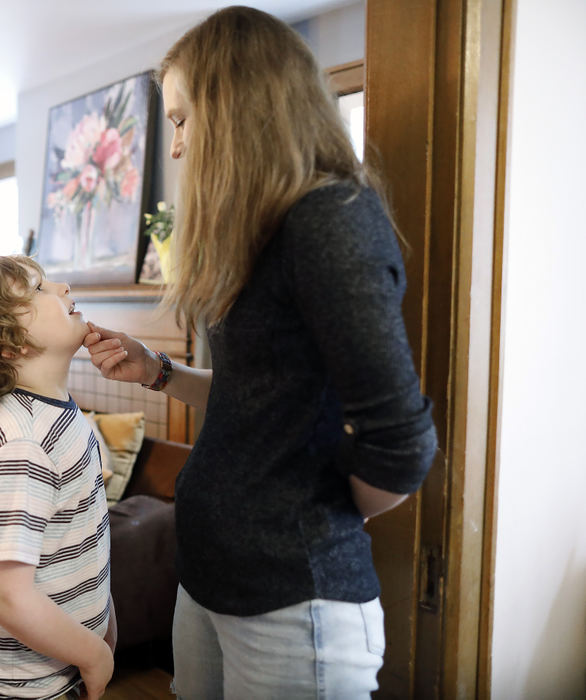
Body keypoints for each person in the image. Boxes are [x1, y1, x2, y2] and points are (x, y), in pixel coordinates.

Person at [83, 6, 438, 699]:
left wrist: (309, 516)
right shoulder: (263, 234)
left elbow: (402, 447)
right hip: (210, 580)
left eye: (181, 120)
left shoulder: (331, 221)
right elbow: (261, 400)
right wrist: (157, 371)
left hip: (289, 603)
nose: (176, 147)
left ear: (238, 105)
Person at [0, 255, 115, 700]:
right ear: (7, 346)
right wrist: (94, 655)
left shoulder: (60, 413)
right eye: (38, 289)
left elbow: (82, 535)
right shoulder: (22, 445)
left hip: (52, 676)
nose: (64, 287)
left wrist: (103, 618)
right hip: (13, 689)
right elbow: (8, 595)